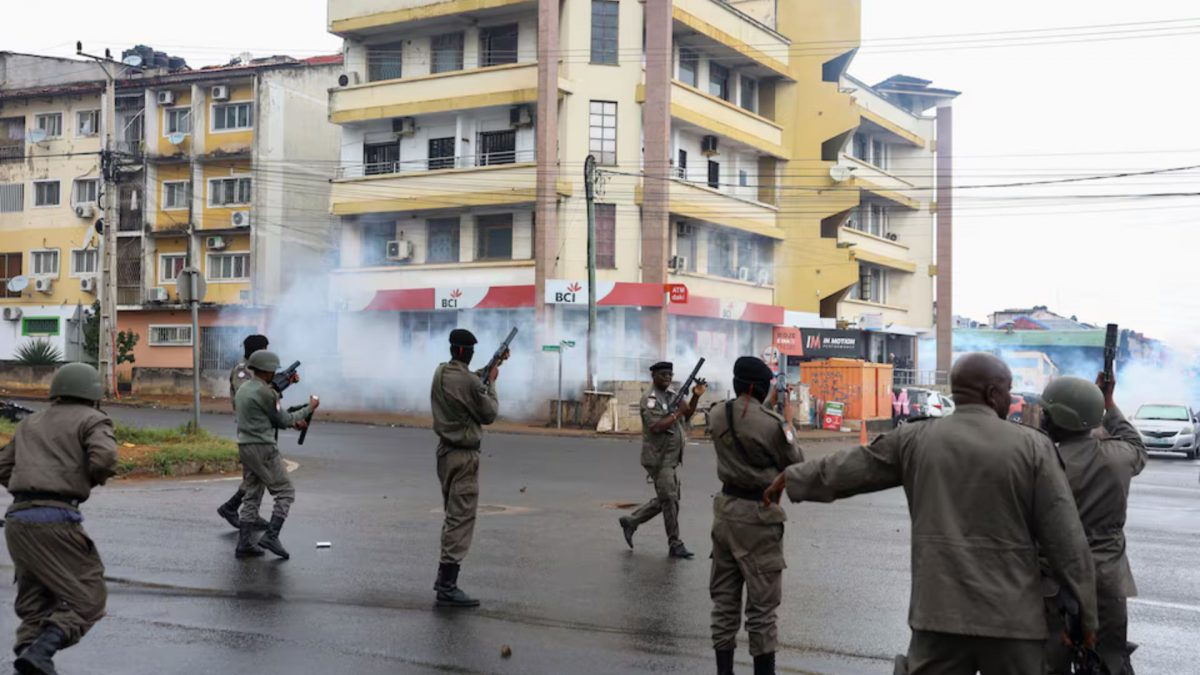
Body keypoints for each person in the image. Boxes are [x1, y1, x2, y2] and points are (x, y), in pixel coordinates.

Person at [764, 352, 1098, 674]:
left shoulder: (916, 438)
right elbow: (1066, 541)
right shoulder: (1033, 447)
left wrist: (794, 477)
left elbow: (854, 467)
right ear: (992, 392)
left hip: (938, 617)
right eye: (1007, 391)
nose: (1009, 399)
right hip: (1012, 622)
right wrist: (1086, 617)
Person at [0, 363, 117, 674]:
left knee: (34, 601)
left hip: (18, 521)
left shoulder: (31, 422)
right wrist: (88, 479)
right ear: (93, 393)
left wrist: (29, 488)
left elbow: (2, 467)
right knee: (88, 597)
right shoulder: (93, 419)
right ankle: (41, 651)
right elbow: (105, 458)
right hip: (56, 520)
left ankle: (29, 657)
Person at [1041, 374, 1146, 675]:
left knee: (1049, 665)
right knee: (1109, 663)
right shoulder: (1120, 457)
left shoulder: (1043, 461)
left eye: (1048, 412)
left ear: (1059, 417)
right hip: (1108, 580)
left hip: (1053, 583)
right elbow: (1135, 443)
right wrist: (1109, 404)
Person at [707, 357, 804, 675]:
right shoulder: (773, 424)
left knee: (724, 601)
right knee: (762, 608)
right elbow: (796, 461)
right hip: (759, 517)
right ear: (761, 388)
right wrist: (786, 420)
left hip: (726, 511)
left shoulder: (718, 413)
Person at [430, 328, 507, 608]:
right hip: (463, 457)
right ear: (465, 352)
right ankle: (447, 585)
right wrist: (492, 382)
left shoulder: (441, 373)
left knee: (453, 514)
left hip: (445, 454)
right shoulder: (472, 384)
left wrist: (488, 370)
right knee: (460, 518)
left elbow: (464, 382)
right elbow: (489, 413)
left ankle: (444, 580)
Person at [233, 349, 318, 560]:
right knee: (285, 492)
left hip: (245, 446)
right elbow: (283, 419)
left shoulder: (244, 389)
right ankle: (271, 536)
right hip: (263, 448)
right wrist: (309, 408)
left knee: (252, 493)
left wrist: (291, 417)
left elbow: (264, 416)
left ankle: (244, 544)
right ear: (268, 371)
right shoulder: (266, 393)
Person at [618, 361, 706, 559]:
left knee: (668, 499)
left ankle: (631, 521)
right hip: (658, 458)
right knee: (670, 499)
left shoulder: (672, 395)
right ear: (654, 376)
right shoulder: (650, 399)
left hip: (671, 457)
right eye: (663, 374)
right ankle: (675, 544)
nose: (667, 377)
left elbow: (688, 412)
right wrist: (677, 413)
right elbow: (656, 426)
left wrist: (695, 396)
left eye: (670, 374)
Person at [218, 334, 273, 531]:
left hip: (260, 426)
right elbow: (249, 397)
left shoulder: (257, 371)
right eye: (265, 349)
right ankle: (232, 507)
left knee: (258, 474)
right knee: (256, 473)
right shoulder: (243, 371)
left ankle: (248, 512)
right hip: (250, 428)